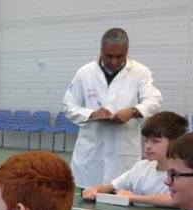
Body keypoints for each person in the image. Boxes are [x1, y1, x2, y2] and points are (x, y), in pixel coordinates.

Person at [63, 28, 162, 187]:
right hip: (90, 155)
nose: (114, 61)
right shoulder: (85, 73)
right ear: (101, 50)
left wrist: (132, 112)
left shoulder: (140, 72)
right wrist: (92, 114)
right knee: (85, 198)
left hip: (122, 156)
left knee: (119, 197)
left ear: (127, 51)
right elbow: (68, 106)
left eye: (119, 56)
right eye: (109, 56)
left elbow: (154, 100)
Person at [81, 111, 187, 207]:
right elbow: (110, 186)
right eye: (146, 140)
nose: (148, 146)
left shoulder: (185, 173)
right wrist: (94, 190)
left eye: (155, 141)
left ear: (175, 142)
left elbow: (176, 200)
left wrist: (133, 198)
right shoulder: (141, 167)